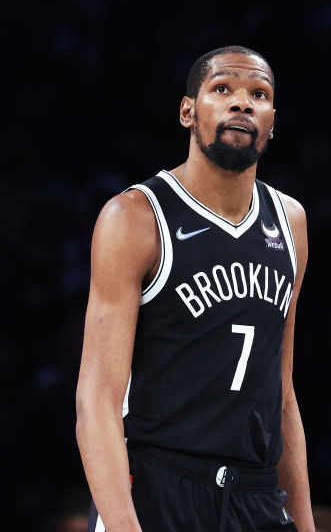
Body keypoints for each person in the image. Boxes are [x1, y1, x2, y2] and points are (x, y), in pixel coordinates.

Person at [75, 45, 314, 532]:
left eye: (259, 94)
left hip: (254, 495)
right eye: (222, 88)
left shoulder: (290, 221)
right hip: (159, 486)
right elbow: (97, 398)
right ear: (188, 111)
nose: (242, 102)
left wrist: (306, 524)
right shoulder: (135, 217)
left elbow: (282, 393)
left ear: (272, 123)